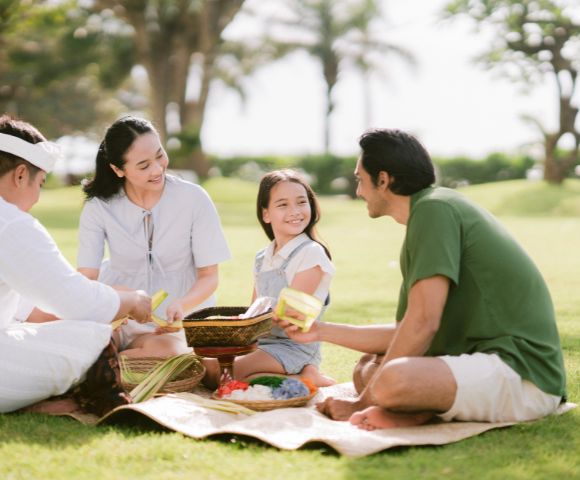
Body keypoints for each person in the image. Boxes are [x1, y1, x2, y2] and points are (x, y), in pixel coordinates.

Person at [277, 128, 567, 430]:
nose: (359, 191)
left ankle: (411, 410)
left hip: (523, 375)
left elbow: (423, 322)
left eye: (360, 180)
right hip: (488, 364)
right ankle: (415, 410)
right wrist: (319, 330)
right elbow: (407, 331)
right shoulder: (431, 209)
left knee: (391, 378)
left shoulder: (433, 210)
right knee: (368, 368)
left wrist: (360, 403)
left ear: (384, 180)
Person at [0, 114, 151, 413]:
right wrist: (131, 300)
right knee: (94, 338)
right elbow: (75, 301)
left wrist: (106, 303)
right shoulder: (11, 223)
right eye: (40, 183)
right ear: (20, 175)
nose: (37, 198)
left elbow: (28, 309)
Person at [78, 116, 231, 358]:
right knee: (87, 345)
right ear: (118, 169)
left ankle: (109, 367)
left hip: (172, 324)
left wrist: (182, 304)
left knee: (169, 353)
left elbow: (209, 276)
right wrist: (122, 297)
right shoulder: (99, 207)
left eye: (159, 155)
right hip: (118, 312)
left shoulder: (193, 198)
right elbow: (86, 279)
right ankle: (111, 362)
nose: (157, 169)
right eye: (143, 165)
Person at [204, 169, 336, 388]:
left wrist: (259, 314)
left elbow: (291, 314)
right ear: (266, 214)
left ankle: (307, 377)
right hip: (262, 343)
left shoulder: (311, 253)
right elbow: (254, 310)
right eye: (283, 205)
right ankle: (282, 378)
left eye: (301, 202)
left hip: (294, 348)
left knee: (223, 374)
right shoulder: (261, 257)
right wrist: (237, 325)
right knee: (207, 367)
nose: (295, 211)